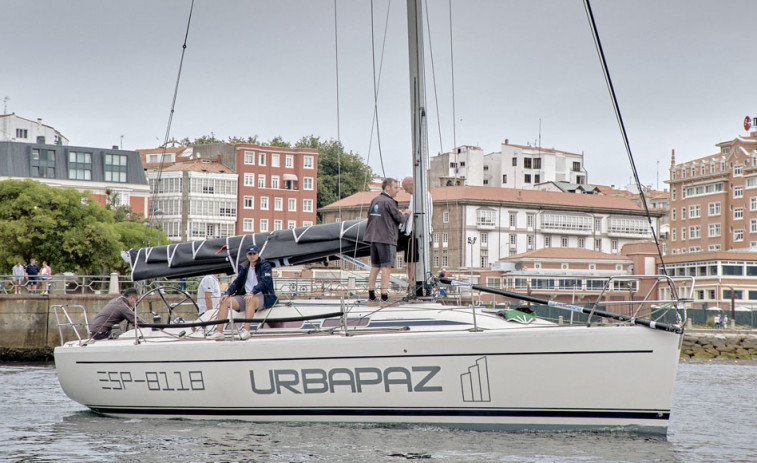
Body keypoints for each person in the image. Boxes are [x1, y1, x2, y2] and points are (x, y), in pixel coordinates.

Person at [208, 245, 277, 340]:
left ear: (258, 254)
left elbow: (265, 281)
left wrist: (253, 292)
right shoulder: (245, 267)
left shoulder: (265, 265)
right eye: (250, 254)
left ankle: (246, 331)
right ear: (247, 255)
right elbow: (237, 282)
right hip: (247, 295)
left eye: (254, 253)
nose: (252, 256)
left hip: (263, 296)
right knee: (225, 301)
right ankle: (219, 332)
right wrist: (228, 293)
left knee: (250, 300)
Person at [364, 178, 410, 302]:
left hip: (373, 237)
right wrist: (407, 213)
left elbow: (370, 215)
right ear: (388, 188)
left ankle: (371, 294)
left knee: (375, 266)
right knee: (386, 267)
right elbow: (400, 218)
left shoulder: (375, 200)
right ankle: (384, 296)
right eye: (396, 187)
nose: (398, 190)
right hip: (386, 238)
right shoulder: (389, 202)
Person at [400, 176, 433, 296]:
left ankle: (413, 285)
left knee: (411, 262)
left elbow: (419, 215)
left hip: (417, 233)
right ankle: (413, 285)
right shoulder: (416, 196)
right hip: (415, 232)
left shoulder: (422, 196)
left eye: (406, 188)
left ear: (412, 184)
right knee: (411, 262)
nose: (405, 191)